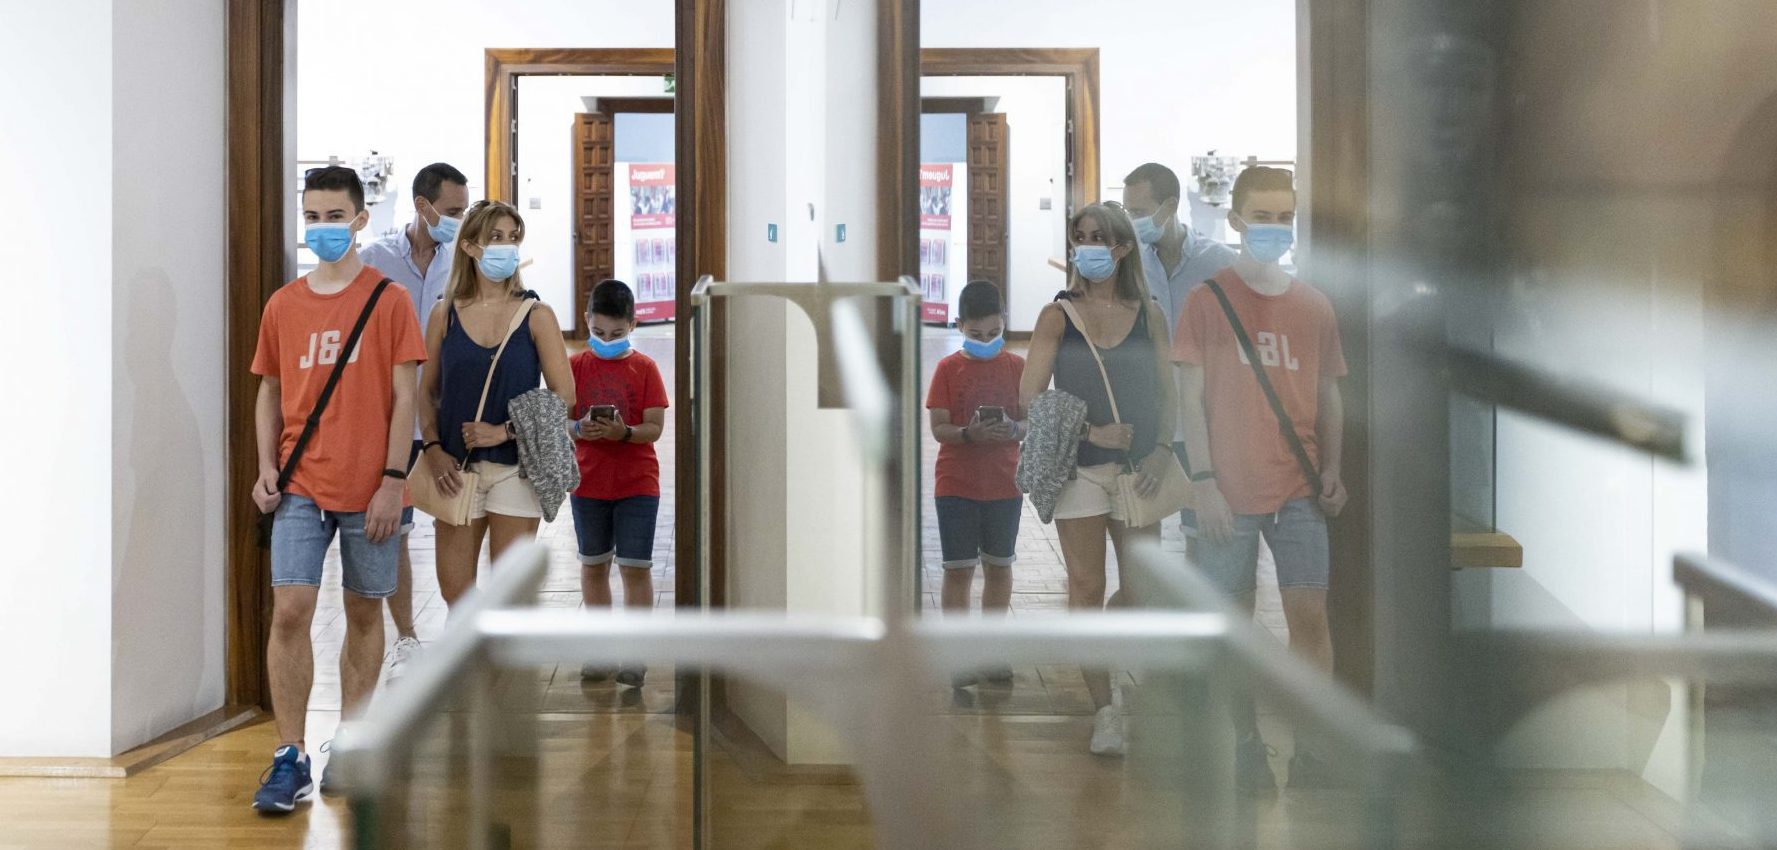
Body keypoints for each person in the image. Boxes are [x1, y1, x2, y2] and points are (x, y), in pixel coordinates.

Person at [249, 166, 427, 812]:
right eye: (312, 216)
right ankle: (290, 754)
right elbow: (269, 391)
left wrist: (392, 479)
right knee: (290, 610)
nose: (322, 228)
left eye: (334, 217)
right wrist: (267, 467)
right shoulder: (284, 305)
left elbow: (405, 396)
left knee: (362, 611)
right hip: (300, 486)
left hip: (371, 488)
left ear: (359, 221)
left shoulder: (387, 301)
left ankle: (350, 741)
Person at [1172, 166, 1348, 794]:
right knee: (1235, 623)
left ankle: (1308, 749)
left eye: (1285, 216)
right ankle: (1247, 744)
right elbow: (1189, 401)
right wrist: (1204, 481)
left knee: (1310, 617)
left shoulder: (1313, 306)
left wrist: (1332, 468)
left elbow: (1329, 395)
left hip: (1297, 488)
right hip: (1229, 492)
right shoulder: (1206, 300)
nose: (1274, 227)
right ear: (1238, 220)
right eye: (1263, 216)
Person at [1020, 202, 1177, 757]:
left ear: (1123, 249)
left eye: (1099, 239)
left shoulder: (1149, 313)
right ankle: (1105, 709)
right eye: (1080, 237)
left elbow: (1168, 390)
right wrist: (1092, 428)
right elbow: (1030, 397)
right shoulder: (1056, 316)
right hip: (1081, 468)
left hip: (1140, 471)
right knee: (1084, 584)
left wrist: (1162, 448)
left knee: (1140, 587)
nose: (1088, 247)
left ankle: (1106, 638)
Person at [417, 200, 575, 609]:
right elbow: (427, 391)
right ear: (469, 247)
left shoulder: (537, 314)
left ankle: (508, 675)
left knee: (511, 600)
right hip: (456, 469)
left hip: (515, 469)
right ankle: (472, 672)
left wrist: (504, 430)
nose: (507, 247)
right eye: (496, 238)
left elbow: (566, 396)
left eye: (513, 238)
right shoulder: (444, 314)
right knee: (457, 595)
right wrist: (432, 449)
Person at [357, 161, 470, 679]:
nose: (459, 220)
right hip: (395, 420)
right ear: (423, 208)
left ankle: (459, 639)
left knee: (456, 528)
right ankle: (406, 639)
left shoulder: (465, 263)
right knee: (396, 533)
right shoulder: (375, 260)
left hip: (450, 420)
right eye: (452, 211)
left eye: (464, 211)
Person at [1123, 162, 1238, 534]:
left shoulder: (1219, 263)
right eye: (1127, 212)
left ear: (1169, 206)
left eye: (1138, 212)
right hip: (1148, 422)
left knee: (1204, 539)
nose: (1131, 220)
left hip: (1204, 424)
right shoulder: (1131, 264)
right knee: (1141, 543)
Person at [568, 279, 670, 688]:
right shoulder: (574, 367)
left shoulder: (645, 368)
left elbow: (655, 427)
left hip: (637, 484)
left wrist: (623, 433)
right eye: (598, 333)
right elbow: (558, 418)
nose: (606, 341)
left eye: (616, 334)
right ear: (587, 322)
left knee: (634, 569)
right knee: (593, 567)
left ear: (632, 325)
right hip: (587, 484)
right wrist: (578, 427)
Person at [927, 280, 1026, 688]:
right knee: (959, 571)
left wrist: (1011, 429)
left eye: (993, 334)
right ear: (959, 326)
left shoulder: (1018, 368)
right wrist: (968, 434)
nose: (986, 341)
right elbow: (938, 428)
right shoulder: (948, 369)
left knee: (999, 568)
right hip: (956, 484)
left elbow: (1030, 420)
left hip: (1005, 483)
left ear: (1003, 324)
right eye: (975, 335)